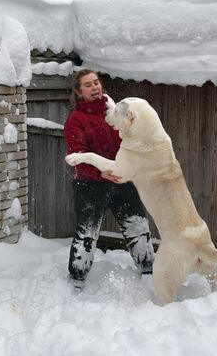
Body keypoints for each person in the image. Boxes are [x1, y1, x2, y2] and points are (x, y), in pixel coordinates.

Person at [63, 69, 155, 290]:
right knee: (87, 234)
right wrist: (99, 173)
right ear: (78, 92)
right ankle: (77, 279)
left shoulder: (114, 110)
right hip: (90, 184)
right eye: (88, 85)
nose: (95, 87)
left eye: (96, 83)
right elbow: (78, 157)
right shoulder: (75, 120)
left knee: (138, 225)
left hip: (121, 178)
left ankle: (148, 272)